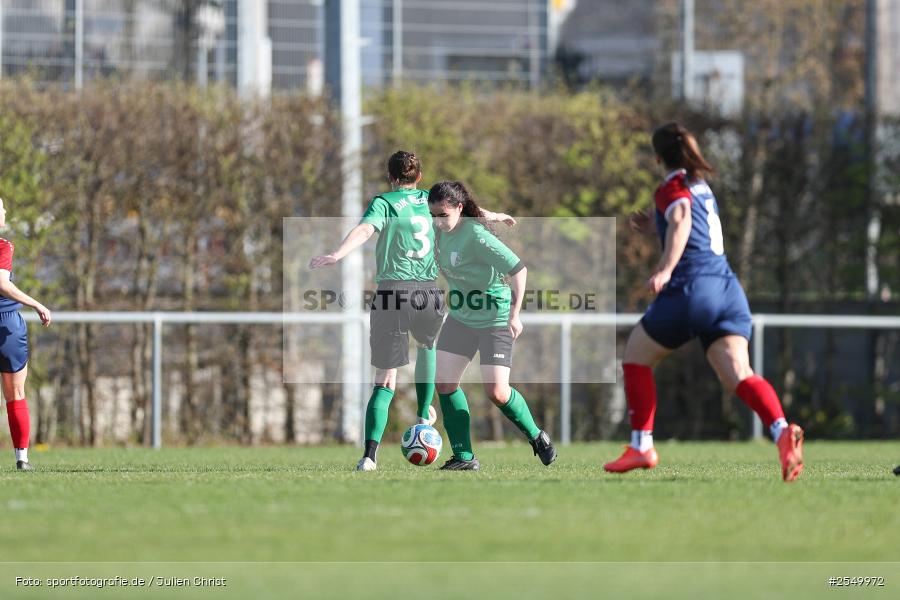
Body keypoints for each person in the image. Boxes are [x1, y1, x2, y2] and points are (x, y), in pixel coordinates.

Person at [603, 123, 804, 482]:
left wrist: (664, 268)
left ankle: (641, 445)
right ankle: (781, 431)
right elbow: (687, 218)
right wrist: (654, 223)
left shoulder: (670, 187)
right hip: (728, 291)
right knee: (738, 374)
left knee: (635, 354)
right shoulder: (701, 186)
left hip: (693, 288)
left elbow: (680, 220)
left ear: (658, 158)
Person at [309, 152, 514, 471]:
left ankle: (369, 456)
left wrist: (338, 254)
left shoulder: (385, 202)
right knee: (429, 348)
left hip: (393, 292)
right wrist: (498, 215)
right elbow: (471, 212)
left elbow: (365, 230)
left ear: (391, 177)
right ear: (419, 178)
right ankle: (424, 413)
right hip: (429, 293)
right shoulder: (430, 200)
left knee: (385, 380)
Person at [427, 181, 556, 471]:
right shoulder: (441, 224)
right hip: (460, 317)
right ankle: (464, 457)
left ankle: (537, 436)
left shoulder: (475, 236)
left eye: (443, 215)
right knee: (445, 383)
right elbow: (465, 210)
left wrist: (515, 314)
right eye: (433, 214)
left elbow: (519, 269)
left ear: (459, 209)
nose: (437, 221)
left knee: (497, 392)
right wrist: (492, 214)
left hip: (495, 319)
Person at [0, 198, 53, 471]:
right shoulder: (3, 245)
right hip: (6, 324)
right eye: (1, 208)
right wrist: (36, 303)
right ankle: (22, 458)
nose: (5, 211)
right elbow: (2, 283)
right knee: (16, 393)